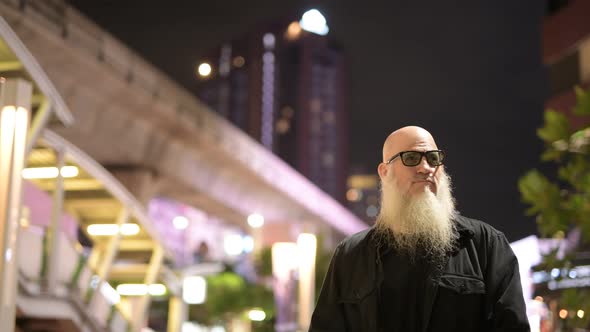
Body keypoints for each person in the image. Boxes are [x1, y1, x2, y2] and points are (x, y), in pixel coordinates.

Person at [310, 126, 529, 332]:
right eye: (411, 158)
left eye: (433, 158)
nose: (425, 168)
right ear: (385, 171)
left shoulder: (486, 245)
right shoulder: (351, 254)